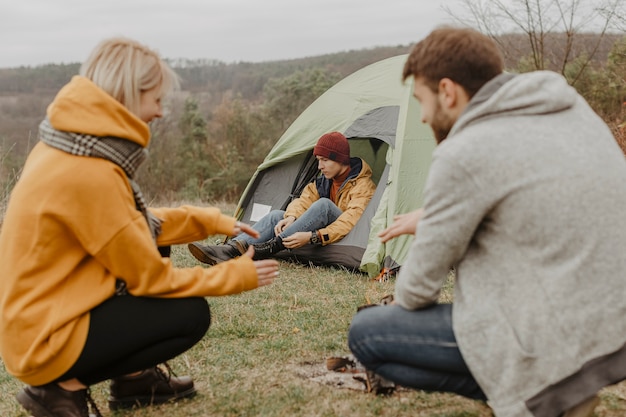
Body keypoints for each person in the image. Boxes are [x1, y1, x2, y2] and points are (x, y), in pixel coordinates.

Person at [347, 26, 626, 417]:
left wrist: (438, 227)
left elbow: (415, 294)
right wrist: (440, 217)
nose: (424, 118)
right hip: (614, 326)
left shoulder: (464, 151)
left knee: (368, 333)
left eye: (421, 101)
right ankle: (551, 390)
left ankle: (539, 394)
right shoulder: (566, 106)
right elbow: (534, 200)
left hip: (553, 338)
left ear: (448, 91)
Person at [0, 37, 279, 417]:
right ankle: (60, 391)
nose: (160, 112)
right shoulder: (90, 172)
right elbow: (151, 280)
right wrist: (234, 276)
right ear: (129, 95)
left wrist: (207, 220)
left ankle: (135, 379)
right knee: (187, 314)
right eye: (156, 99)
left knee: (153, 244)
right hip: (45, 341)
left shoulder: (66, 145)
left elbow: (127, 225)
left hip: (35, 320)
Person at [188, 131, 377, 265]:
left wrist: (313, 236)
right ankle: (230, 249)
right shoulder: (323, 182)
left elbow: (349, 222)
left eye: (324, 160)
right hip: (321, 231)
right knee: (276, 216)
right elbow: (303, 200)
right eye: (318, 160)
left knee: (324, 206)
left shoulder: (363, 186)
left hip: (342, 236)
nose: (319, 166)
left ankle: (270, 247)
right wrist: (291, 217)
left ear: (341, 160)